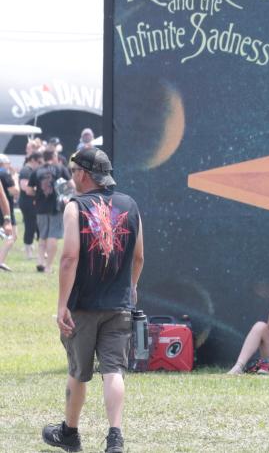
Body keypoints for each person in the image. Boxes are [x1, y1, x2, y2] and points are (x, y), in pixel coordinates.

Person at [43, 148, 143, 453]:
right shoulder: (130, 205)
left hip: (83, 307)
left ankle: (70, 433)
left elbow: (70, 257)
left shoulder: (75, 207)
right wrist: (132, 287)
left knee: (78, 371)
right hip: (118, 306)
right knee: (113, 370)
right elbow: (139, 257)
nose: (72, 176)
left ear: (83, 174)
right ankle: (115, 436)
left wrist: (62, 305)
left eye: (74, 171)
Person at [26, 149, 72, 273]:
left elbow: (28, 190)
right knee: (53, 236)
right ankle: (48, 266)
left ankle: (40, 262)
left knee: (42, 236)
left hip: (40, 207)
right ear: (54, 156)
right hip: (56, 207)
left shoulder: (36, 171)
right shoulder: (60, 168)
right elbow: (71, 184)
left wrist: (38, 194)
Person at [18, 152, 43, 264]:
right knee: (30, 226)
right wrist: (39, 193)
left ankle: (39, 250)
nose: (40, 164)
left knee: (36, 225)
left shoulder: (32, 171)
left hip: (32, 202)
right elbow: (24, 187)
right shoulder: (25, 171)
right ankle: (28, 252)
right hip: (27, 203)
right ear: (33, 160)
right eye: (39, 162)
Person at [0, 155, 18, 271]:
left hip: (5, 208)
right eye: (8, 163)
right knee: (12, 236)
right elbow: (15, 191)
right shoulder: (5, 174)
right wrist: (15, 177)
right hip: (5, 209)